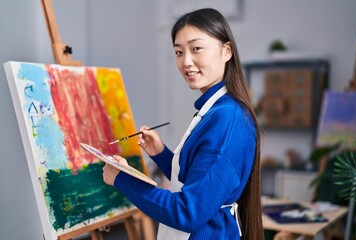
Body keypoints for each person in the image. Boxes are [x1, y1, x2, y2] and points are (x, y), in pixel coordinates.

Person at [103, 8, 264, 240]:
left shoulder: (227, 119)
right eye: (179, 52)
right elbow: (198, 181)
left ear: (226, 51)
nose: (186, 62)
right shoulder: (215, 110)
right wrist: (160, 153)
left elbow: (189, 211)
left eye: (196, 48)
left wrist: (122, 179)